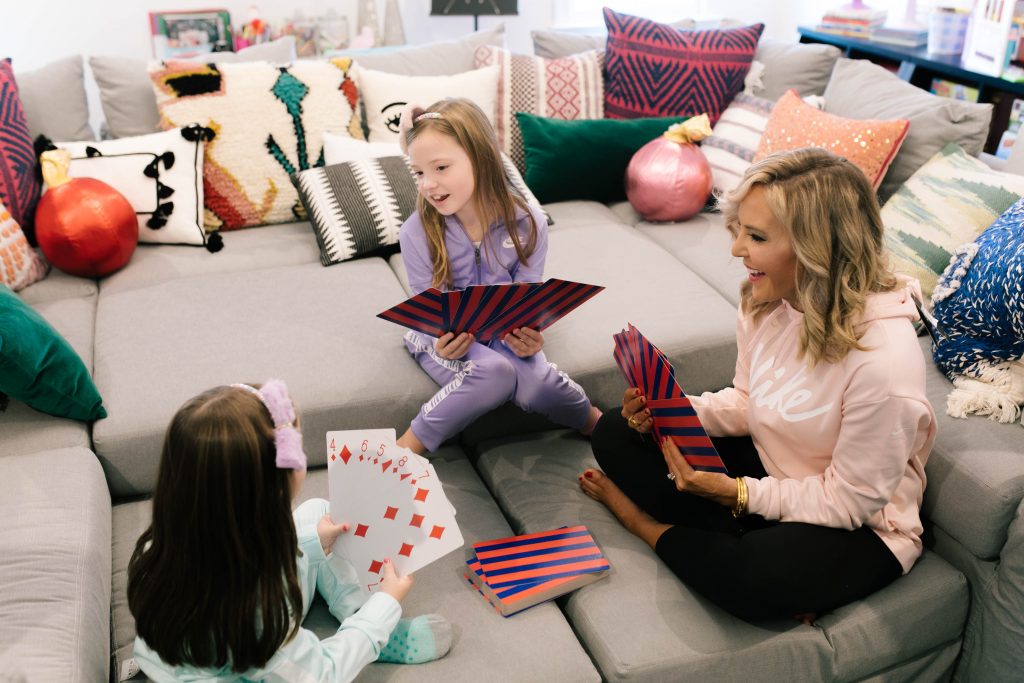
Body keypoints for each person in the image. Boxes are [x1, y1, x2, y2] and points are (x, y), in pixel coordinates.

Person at [579, 148, 936, 622]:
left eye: (757, 236)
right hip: (776, 469)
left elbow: (849, 500)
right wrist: (671, 410)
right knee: (616, 431)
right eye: (740, 230)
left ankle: (645, 525)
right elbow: (749, 401)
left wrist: (737, 494)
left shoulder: (884, 364)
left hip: (860, 522)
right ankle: (738, 545)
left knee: (753, 575)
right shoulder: (767, 301)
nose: (736, 250)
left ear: (817, 248)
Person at [127, 379, 451, 680]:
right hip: (248, 658)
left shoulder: (171, 542)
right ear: (269, 493)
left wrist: (315, 543)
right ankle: (368, 629)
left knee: (318, 514)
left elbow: (252, 553)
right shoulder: (256, 615)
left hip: (221, 634)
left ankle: (356, 611)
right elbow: (322, 674)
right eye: (296, 450)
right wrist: (383, 607)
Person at [394, 98, 602, 455]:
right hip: (439, 339)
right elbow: (428, 310)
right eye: (419, 173)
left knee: (536, 382)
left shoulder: (529, 222)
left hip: (501, 332)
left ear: (481, 158)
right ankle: (402, 451)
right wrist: (442, 342)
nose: (428, 184)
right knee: (496, 373)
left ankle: (598, 425)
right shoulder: (416, 232)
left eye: (440, 167)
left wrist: (532, 335)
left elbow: (527, 298)